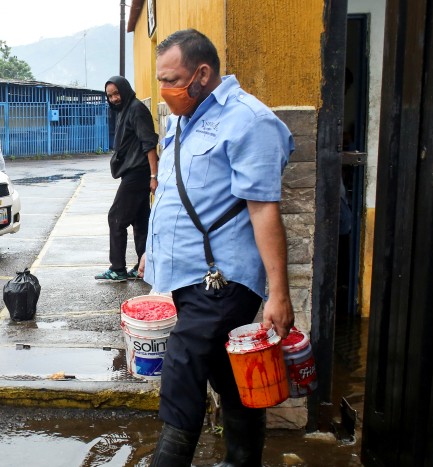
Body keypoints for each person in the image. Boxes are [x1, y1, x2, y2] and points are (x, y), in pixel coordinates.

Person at [138, 29, 295, 466]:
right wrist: (153, 249)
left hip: (224, 277)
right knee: (227, 371)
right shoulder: (182, 120)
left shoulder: (251, 121)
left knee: (183, 364)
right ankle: (243, 460)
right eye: (161, 81)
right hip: (187, 276)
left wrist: (278, 294)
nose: (165, 90)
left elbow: (264, 210)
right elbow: (174, 192)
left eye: (172, 80)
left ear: (202, 74)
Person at [95, 76, 160, 283]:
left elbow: (149, 144)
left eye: (116, 93)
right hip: (135, 172)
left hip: (138, 173)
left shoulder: (136, 109)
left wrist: (153, 176)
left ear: (125, 90)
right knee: (141, 221)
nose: (114, 98)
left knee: (116, 218)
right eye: (110, 96)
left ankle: (117, 268)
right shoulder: (125, 110)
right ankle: (144, 265)